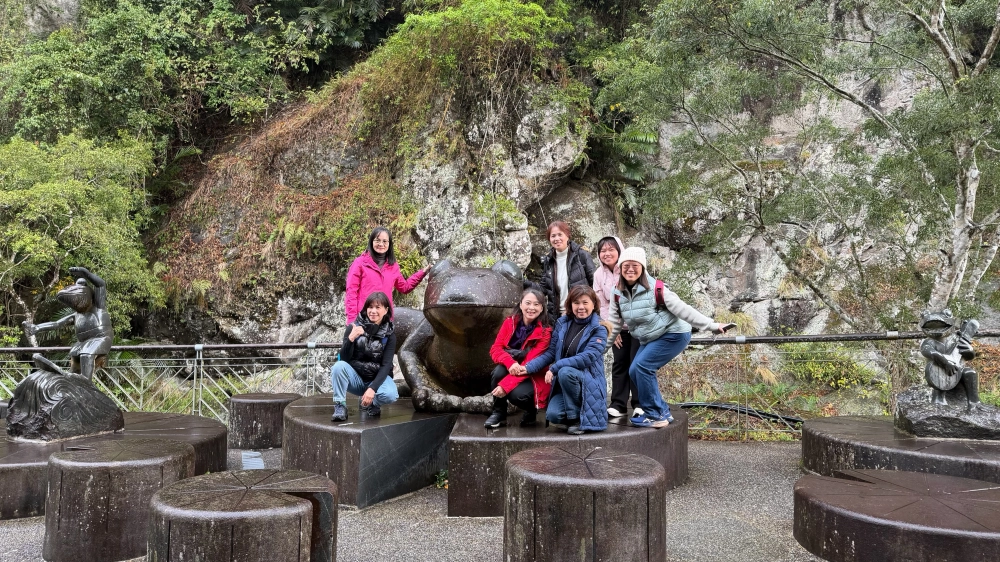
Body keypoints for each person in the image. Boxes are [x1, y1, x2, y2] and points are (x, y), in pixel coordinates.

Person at [607, 247, 735, 428]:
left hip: (673, 334)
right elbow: (613, 325)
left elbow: (684, 309)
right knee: (634, 370)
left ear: (642, 267)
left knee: (643, 366)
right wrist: (599, 349)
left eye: (635, 265)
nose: (630, 269)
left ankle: (654, 415)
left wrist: (712, 325)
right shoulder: (617, 293)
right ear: (620, 268)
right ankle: (662, 411)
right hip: (650, 337)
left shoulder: (657, 288)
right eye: (625, 265)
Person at [523, 285, 609, 435]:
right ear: (570, 304)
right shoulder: (563, 323)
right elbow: (551, 353)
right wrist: (527, 367)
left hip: (588, 382)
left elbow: (587, 357)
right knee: (553, 415)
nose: (581, 307)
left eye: (585, 302)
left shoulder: (599, 328)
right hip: (566, 383)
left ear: (594, 304)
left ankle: (575, 419)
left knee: (564, 372)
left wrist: (556, 367)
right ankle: (577, 412)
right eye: (576, 303)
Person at [22, 266, 113, 381]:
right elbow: (57, 324)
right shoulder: (76, 315)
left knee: (86, 353)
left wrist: (85, 273)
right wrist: (37, 328)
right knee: (75, 355)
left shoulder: (98, 306)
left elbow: (101, 285)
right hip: (83, 342)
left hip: (101, 338)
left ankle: (86, 383)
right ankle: (72, 378)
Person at [484, 288, 553, 428]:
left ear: (541, 308)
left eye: (536, 304)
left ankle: (531, 410)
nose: (531, 308)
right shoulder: (509, 323)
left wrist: (505, 386)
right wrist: (510, 363)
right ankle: (499, 414)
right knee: (498, 372)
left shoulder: (545, 332)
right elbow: (495, 348)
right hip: (513, 368)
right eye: (528, 303)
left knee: (517, 396)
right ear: (521, 304)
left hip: (533, 373)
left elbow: (530, 362)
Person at [330, 291, 399, 421]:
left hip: (376, 379)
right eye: (370, 307)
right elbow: (344, 359)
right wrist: (350, 339)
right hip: (356, 379)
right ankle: (340, 405)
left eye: (378, 307)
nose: (373, 311)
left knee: (391, 394)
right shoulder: (353, 328)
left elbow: (386, 366)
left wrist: (373, 388)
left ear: (386, 310)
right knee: (338, 367)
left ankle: (373, 403)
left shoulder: (389, 335)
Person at [592, 236, 640, 419]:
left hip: (637, 324)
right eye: (603, 251)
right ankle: (618, 404)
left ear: (619, 251)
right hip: (616, 327)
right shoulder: (598, 274)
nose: (607, 253)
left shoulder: (628, 268)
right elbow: (602, 304)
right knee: (619, 362)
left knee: (637, 363)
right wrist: (612, 328)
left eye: (611, 249)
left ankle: (639, 403)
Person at [344, 227, 427, 324]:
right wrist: (352, 321)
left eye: (384, 241)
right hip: (364, 319)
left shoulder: (393, 266)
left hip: (384, 321)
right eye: (377, 240)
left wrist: (422, 273)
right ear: (371, 242)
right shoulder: (360, 263)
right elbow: (351, 293)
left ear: (389, 244)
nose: (381, 244)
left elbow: (404, 287)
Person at [539, 221, 596, 318]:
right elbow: (543, 288)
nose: (557, 239)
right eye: (553, 236)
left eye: (560, 234)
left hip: (579, 313)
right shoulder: (548, 260)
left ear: (567, 235)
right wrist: (524, 283)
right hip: (557, 315)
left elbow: (595, 283)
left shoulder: (581, 255)